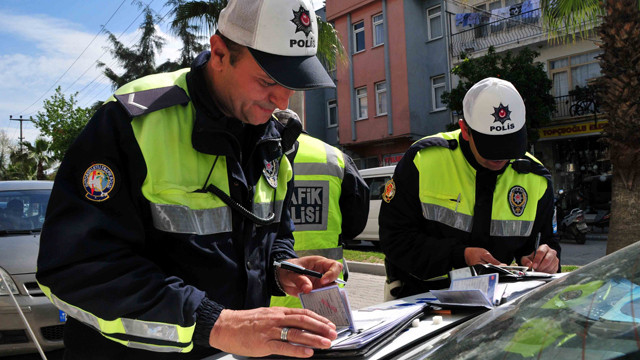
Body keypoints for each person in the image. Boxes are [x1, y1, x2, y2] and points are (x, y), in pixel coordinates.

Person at [36, 0, 345, 359]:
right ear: (218, 53)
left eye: (292, 84)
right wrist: (215, 323)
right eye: (267, 80)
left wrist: (281, 266)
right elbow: (75, 268)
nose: (281, 99)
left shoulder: (273, 137)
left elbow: (272, 232)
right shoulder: (133, 122)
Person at [379, 77, 561, 299]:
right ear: (465, 130)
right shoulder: (423, 160)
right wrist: (460, 255)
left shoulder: (536, 178)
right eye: (492, 147)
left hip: (496, 304)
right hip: (418, 297)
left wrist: (545, 260)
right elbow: (394, 239)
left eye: (510, 144)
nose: (502, 157)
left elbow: (545, 245)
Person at [270, 109, 370, 308]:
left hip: (269, 297)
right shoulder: (335, 157)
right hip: (323, 292)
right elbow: (356, 222)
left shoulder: (257, 154)